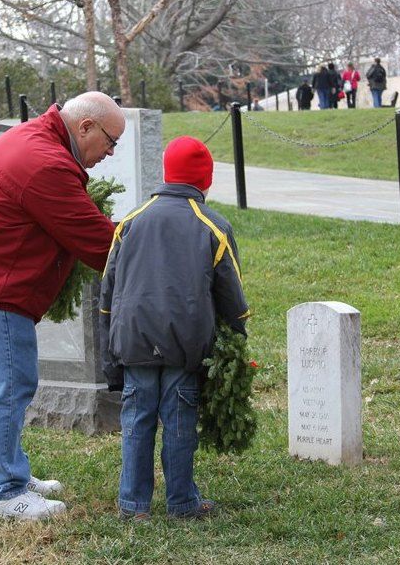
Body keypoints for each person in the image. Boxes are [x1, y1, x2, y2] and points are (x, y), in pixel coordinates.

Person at [0, 92, 125, 521]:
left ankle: (10, 472)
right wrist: (159, 253)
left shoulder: (37, 139)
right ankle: (4, 494)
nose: (109, 153)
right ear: (85, 126)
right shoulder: (46, 163)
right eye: (111, 141)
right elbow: (96, 241)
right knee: (6, 390)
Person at [99, 136, 249, 522]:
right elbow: (231, 297)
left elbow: (107, 294)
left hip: (132, 342)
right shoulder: (213, 226)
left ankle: (134, 505)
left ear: (166, 173)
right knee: (180, 422)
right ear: (205, 180)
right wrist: (236, 346)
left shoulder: (130, 221)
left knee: (136, 420)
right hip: (185, 345)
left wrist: (109, 354)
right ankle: (181, 502)